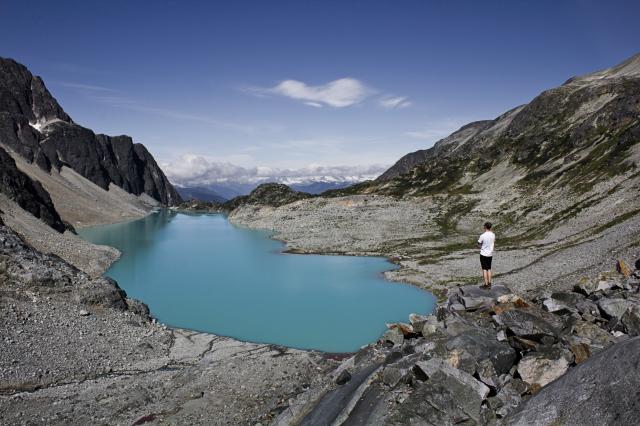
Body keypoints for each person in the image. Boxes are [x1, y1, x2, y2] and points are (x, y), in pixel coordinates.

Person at [477, 222, 495, 289]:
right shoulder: (493, 235)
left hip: (483, 253)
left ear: (485, 227)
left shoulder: (482, 235)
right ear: (490, 227)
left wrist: (480, 246)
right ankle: (490, 283)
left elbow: (478, 244)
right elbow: (493, 242)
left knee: (484, 269)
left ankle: (486, 284)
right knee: (489, 268)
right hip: (490, 254)